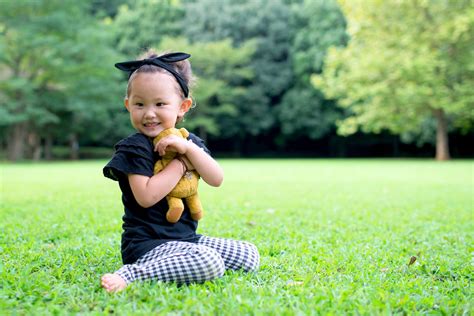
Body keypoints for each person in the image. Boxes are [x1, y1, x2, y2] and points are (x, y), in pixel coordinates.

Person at [100, 50, 260, 292]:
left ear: (182, 107)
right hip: (147, 245)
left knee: (249, 256)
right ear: (128, 105)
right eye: (140, 104)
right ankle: (133, 274)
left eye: (160, 104)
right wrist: (182, 163)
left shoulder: (188, 141)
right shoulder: (135, 147)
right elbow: (146, 197)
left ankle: (182, 261)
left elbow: (216, 178)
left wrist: (187, 149)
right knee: (209, 262)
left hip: (185, 239)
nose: (149, 113)